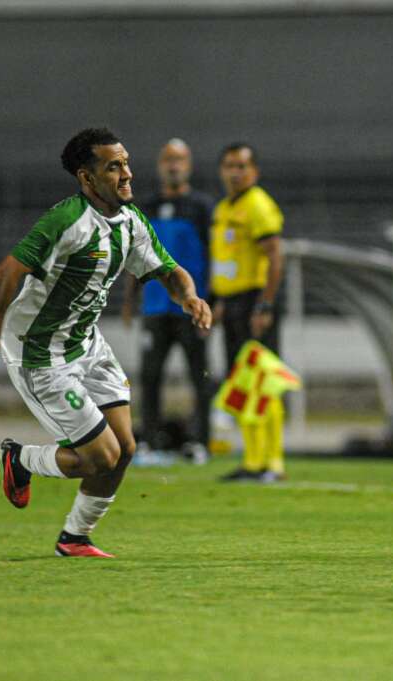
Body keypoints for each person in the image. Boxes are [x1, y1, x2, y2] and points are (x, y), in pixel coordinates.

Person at [0, 128, 211, 557]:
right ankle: (20, 459)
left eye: (126, 163)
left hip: (87, 344)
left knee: (125, 448)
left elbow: (168, 270)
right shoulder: (67, 221)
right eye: (114, 167)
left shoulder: (130, 221)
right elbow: (5, 274)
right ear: (87, 177)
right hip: (42, 354)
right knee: (100, 457)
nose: (127, 174)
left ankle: (74, 538)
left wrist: (188, 297)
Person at [122, 138, 216, 462]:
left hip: (192, 308)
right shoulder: (145, 207)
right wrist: (129, 300)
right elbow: (136, 256)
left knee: (199, 375)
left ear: (188, 166)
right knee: (150, 376)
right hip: (155, 307)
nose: (173, 166)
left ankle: (200, 442)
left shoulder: (202, 208)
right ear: (160, 165)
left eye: (179, 160)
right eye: (168, 160)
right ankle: (150, 441)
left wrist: (210, 302)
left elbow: (214, 257)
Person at [210, 142, 286, 483]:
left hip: (255, 301)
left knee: (263, 382)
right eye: (230, 166)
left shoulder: (258, 205)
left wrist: (265, 304)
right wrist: (221, 301)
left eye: (241, 166)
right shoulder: (224, 208)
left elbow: (275, 257)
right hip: (233, 302)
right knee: (241, 382)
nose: (235, 172)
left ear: (254, 171)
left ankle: (274, 462)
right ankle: (253, 461)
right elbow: (227, 260)